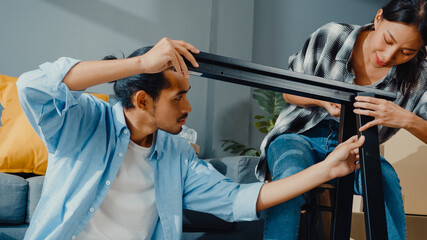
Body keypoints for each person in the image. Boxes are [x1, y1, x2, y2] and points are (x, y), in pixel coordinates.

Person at [17, 37, 364, 240]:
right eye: (177, 97)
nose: (189, 107)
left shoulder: (176, 153)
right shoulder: (86, 122)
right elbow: (32, 86)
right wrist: (141, 61)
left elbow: (237, 200)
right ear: (142, 100)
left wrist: (327, 170)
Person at [257, 0, 427, 239]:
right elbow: (288, 91)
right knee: (290, 174)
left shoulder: (420, 76)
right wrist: (320, 99)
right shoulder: (332, 36)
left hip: (357, 149)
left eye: (406, 52)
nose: (389, 55)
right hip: (298, 135)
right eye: (388, 40)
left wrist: (405, 118)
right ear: (378, 18)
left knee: (385, 181)